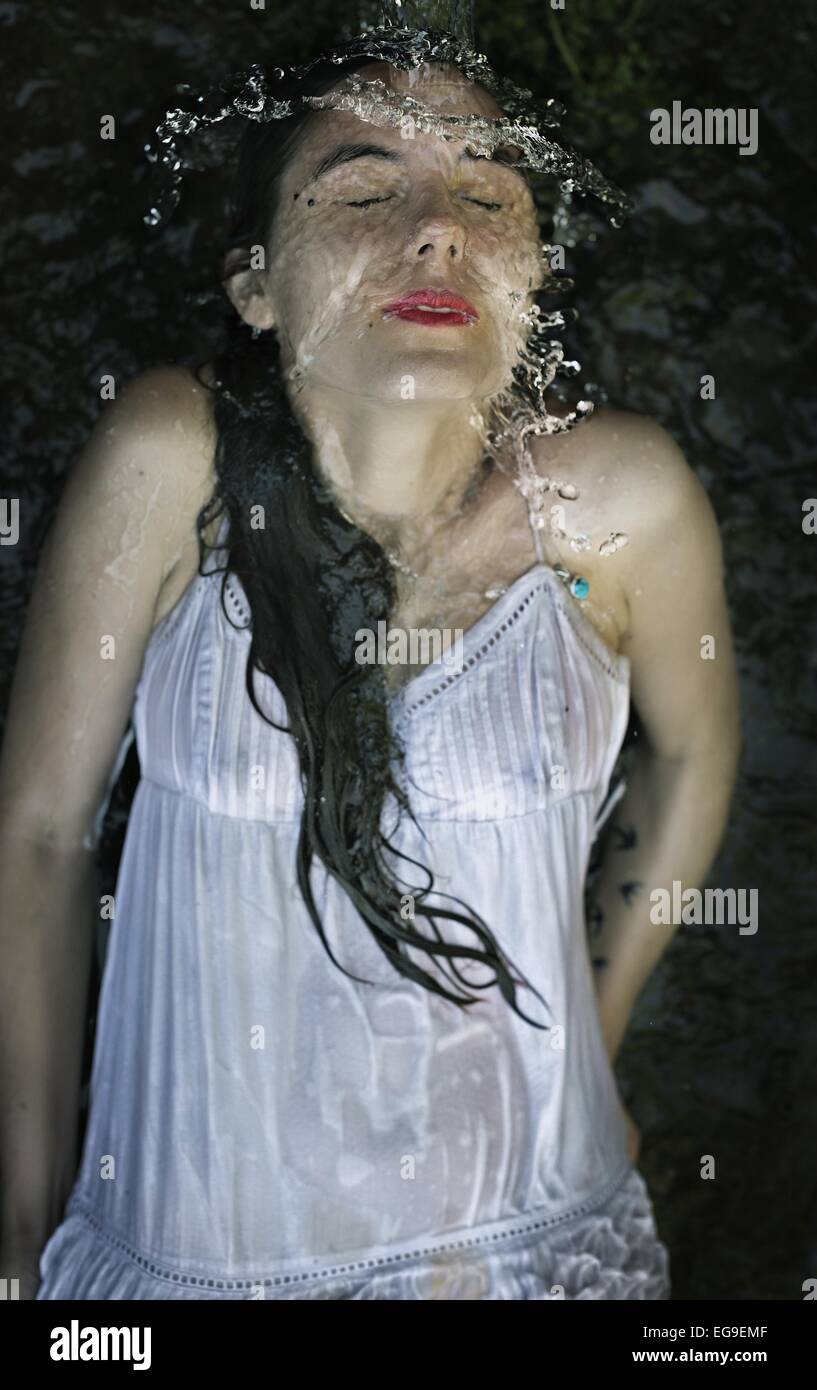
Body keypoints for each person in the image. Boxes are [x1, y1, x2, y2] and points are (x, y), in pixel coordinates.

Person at [0, 51, 741, 1300]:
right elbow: (37, 835)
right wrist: (23, 1217)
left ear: (535, 271)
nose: (438, 231)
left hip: (524, 1243)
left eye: (489, 195)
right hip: (197, 1253)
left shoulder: (612, 507)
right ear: (255, 286)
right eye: (360, 191)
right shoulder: (173, 466)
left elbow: (694, 751)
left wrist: (593, 1039)